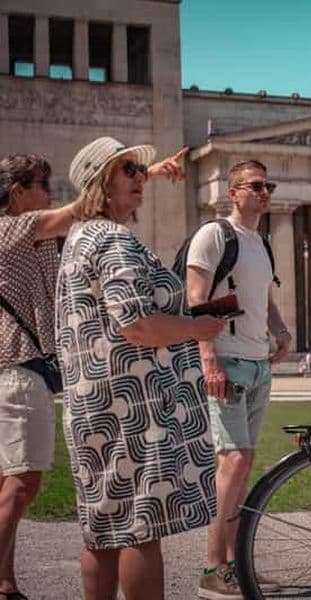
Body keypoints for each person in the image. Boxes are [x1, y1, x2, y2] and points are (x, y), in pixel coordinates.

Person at [55, 136, 224, 600]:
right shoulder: (112, 238)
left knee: (102, 529)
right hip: (136, 408)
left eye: (138, 171)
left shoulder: (79, 237)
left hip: (96, 404)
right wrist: (198, 327)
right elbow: (138, 324)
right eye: (128, 170)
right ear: (101, 183)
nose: (140, 180)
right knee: (140, 528)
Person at [185, 160, 290, 599]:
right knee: (233, 461)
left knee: (242, 465)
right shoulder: (214, 235)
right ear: (233, 192)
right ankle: (213, 566)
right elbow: (197, 298)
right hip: (227, 360)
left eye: (268, 186)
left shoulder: (260, 243)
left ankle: (236, 563)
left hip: (257, 362)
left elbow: (262, 297)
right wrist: (209, 358)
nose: (265, 192)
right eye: (256, 186)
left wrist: (280, 330)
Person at [0, 154, 86, 600]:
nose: (50, 192)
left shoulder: (31, 238)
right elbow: (73, 212)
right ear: (17, 192)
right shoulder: (8, 228)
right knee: (24, 481)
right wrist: (127, 173)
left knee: (6, 483)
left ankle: (6, 581)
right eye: (41, 184)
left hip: (19, 366)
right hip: (16, 366)